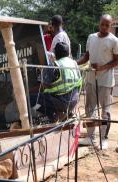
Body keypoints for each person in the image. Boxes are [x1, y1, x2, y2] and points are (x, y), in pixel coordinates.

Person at [77, 14, 118, 149]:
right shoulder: (91, 37)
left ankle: (103, 139)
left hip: (105, 81)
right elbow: (86, 56)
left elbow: (116, 60)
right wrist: (74, 63)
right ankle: (90, 137)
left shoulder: (114, 40)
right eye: (102, 24)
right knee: (90, 108)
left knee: (104, 111)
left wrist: (103, 67)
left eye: (107, 25)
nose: (105, 27)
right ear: (99, 23)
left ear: (111, 25)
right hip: (90, 79)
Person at [30, 42, 82, 122]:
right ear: (68, 53)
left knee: (31, 99)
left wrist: (27, 90)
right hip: (74, 100)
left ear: (55, 53)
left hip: (62, 101)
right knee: (44, 97)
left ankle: (54, 115)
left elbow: (43, 87)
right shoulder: (74, 63)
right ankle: (66, 113)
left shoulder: (54, 65)